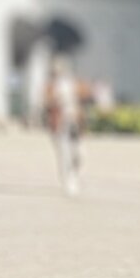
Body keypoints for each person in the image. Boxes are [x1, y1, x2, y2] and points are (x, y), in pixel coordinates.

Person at [45, 56, 83, 195]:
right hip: (59, 124)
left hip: (74, 122)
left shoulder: (72, 84)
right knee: (63, 153)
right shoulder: (51, 86)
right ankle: (67, 180)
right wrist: (56, 100)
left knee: (78, 152)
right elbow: (47, 102)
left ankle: (74, 176)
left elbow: (82, 96)